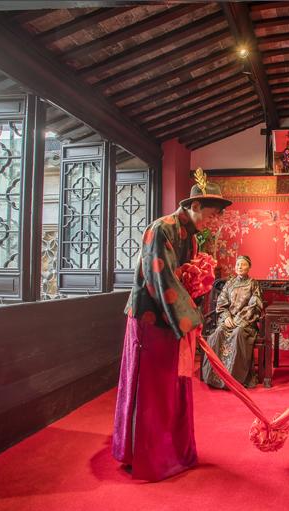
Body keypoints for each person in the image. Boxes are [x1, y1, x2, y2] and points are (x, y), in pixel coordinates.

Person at [112, 168, 231, 481]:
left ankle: (174, 450)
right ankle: (150, 456)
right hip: (151, 319)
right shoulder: (162, 228)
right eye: (212, 214)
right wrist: (189, 320)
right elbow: (160, 278)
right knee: (153, 390)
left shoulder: (190, 238)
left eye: (217, 217)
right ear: (194, 206)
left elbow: (186, 281)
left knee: (172, 387)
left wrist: (191, 311)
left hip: (174, 319)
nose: (213, 222)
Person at [201, 255, 263, 389]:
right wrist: (226, 317)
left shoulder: (253, 284)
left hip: (245, 322)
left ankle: (235, 379)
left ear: (249, 267)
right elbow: (221, 303)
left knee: (238, 334)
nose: (240, 267)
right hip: (228, 321)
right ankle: (215, 377)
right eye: (238, 264)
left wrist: (238, 319)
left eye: (243, 264)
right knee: (218, 333)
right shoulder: (230, 283)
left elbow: (255, 305)